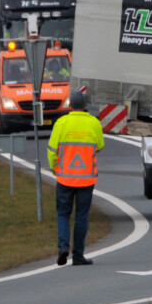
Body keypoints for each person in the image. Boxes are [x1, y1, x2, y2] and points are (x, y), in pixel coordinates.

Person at [46, 90, 105, 266]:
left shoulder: (61, 122)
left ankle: (63, 247)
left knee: (63, 214)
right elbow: (100, 146)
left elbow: (52, 150)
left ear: (70, 104)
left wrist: (54, 168)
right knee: (81, 216)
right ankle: (78, 255)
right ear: (85, 105)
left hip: (65, 178)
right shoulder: (94, 123)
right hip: (86, 179)